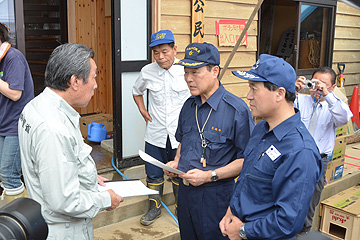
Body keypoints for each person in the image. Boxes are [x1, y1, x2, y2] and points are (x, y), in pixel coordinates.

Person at [18, 43, 123, 239]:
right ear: (75, 81)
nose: (95, 85)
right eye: (93, 77)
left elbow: (57, 165)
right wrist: (105, 199)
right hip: (64, 230)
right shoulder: (53, 128)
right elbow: (64, 200)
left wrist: (86, 176)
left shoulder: (35, 106)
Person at [220, 54, 322, 240]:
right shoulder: (261, 129)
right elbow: (246, 179)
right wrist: (230, 211)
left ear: (279, 94)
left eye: (254, 89)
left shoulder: (300, 151)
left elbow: (288, 222)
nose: (248, 96)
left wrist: (243, 231)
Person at [165, 42, 254, 240]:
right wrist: (176, 162)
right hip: (186, 193)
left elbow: (246, 160)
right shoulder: (189, 106)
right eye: (186, 72)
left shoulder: (236, 110)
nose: (188, 79)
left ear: (215, 71)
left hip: (216, 197)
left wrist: (209, 175)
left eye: (195, 72)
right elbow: (183, 140)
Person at [132, 29, 190, 225]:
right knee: (153, 172)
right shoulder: (147, 71)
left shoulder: (186, 71)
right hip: (155, 132)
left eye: (165, 51)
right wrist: (142, 109)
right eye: (156, 52)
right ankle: (154, 208)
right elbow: (136, 91)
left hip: (179, 135)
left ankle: (180, 208)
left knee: (179, 172)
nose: (160, 56)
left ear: (175, 49)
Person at [295, 66, 353, 234]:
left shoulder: (335, 106)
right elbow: (281, 107)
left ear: (333, 87)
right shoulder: (300, 99)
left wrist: (327, 95)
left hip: (318, 159)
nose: (317, 88)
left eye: (323, 84)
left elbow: (344, 118)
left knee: (310, 200)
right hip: (295, 155)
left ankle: (303, 233)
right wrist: (292, 89)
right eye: (314, 83)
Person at [0, 22, 33, 203]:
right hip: (3, 122)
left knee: (9, 173)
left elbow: (14, 93)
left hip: (16, 123)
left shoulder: (13, 57)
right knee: (3, 173)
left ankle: (21, 220)